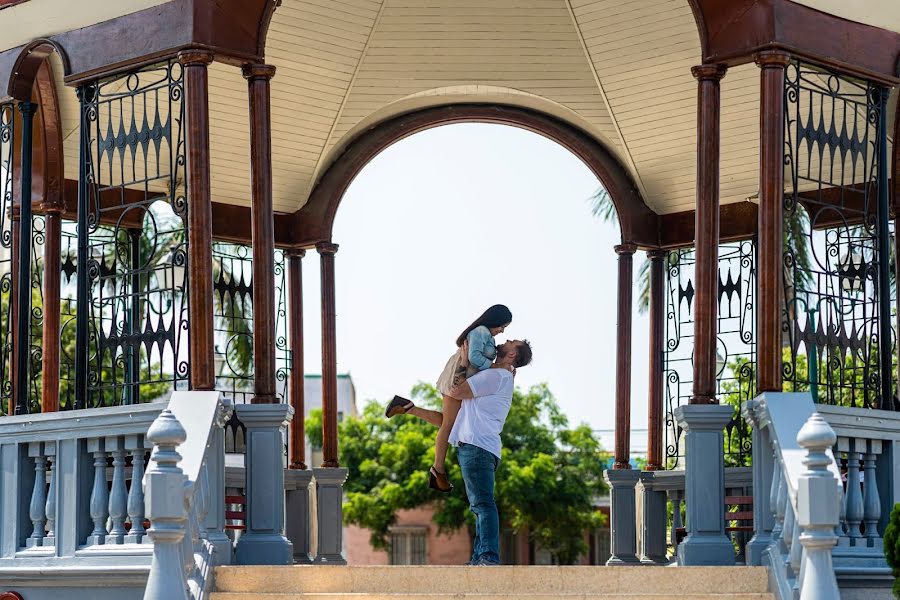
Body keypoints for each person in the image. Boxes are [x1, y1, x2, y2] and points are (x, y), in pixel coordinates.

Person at [389, 340, 532, 565]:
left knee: (483, 504)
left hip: (477, 447)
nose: (503, 341)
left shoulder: (496, 377)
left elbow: (457, 390)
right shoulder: (500, 375)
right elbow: (450, 422)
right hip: (477, 445)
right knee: (480, 505)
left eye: (510, 342)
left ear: (512, 354)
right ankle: (480, 557)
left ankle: (487, 557)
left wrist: (464, 362)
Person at [385, 304, 512, 492]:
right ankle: (438, 470)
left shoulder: (486, 335)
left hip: (465, 379)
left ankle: (407, 407)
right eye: (502, 326)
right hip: (458, 377)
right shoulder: (481, 331)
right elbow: (475, 358)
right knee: (448, 425)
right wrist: (496, 368)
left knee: (450, 422)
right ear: (495, 319)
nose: (502, 331)